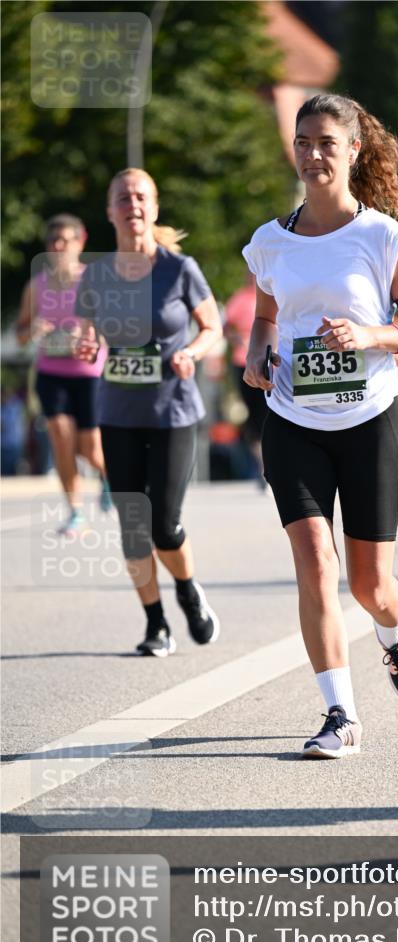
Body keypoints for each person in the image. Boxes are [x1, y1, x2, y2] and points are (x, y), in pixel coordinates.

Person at [242, 94, 398, 759]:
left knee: (369, 586)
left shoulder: (382, 236)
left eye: (326, 142)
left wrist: (371, 335)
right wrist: (254, 352)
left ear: (353, 150)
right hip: (291, 419)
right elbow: (267, 315)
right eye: (302, 142)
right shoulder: (270, 241)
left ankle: (394, 634)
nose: (312, 154)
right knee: (314, 563)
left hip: (368, 421)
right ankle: (339, 715)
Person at [75, 168, 222, 656]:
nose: (132, 204)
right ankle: (156, 623)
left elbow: (212, 327)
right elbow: (88, 330)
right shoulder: (95, 274)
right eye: (123, 197)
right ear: (110, 211)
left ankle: (187, 589)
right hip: (117, 412)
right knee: (133, 525)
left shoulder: (180, 269)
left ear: (154, 209)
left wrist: (193, 353)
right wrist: (84, 342)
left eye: (141, 196)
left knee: (164, 524)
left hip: (173, 412)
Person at [15, 214, 110, 533]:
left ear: (79, 243)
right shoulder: (36, 286)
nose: (58, 247)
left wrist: (88, 335)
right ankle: (75, 511)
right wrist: (33, 329)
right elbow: (20, 333)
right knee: (59, 434)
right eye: (52, 242)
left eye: (64, 241)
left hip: (88, 373)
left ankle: (109, 476)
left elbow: (113, 327)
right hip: (51, 371)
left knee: (89, 447)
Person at [223, 270, 266, 481]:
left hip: (270, 362)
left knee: (268, 414)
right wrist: (237, 340)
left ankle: (268, 463)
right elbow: (226, 326)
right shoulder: (240, 298)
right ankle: (261, 465)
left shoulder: (271, 292)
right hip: (244, 362)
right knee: (253, 417)